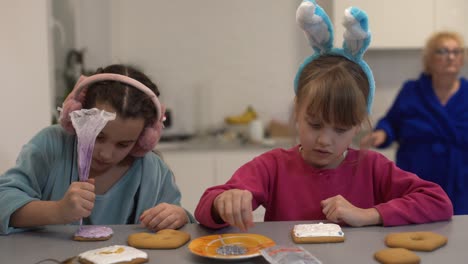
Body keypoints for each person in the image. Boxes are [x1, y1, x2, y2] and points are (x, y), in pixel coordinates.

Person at [194, 0, 453, 231]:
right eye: (315, 124)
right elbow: (205, 206)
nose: (324, 140)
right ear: (298, 111)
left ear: (359, 125)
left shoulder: (372, 167)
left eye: (340, 130)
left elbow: (437, 201)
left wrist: (369, 214)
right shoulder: (272, 167)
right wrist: (222, 203)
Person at [0, 64, 195, 234]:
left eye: (123, 144)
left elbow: (179, 224)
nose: (106, 154)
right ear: (76, 116)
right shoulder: (51, 145)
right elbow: (4, 200)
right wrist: (58, 211)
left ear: (143, 140)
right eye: (98, 136)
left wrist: (179, 216)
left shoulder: (154, 172)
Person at [364, 31, 468, 215]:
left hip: (460, 181)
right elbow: (392, 122)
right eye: (443, 51)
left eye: (456, 52)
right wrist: (382, 133)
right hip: (418, 176)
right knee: (413, 227)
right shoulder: (411, 90)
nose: (451, 57)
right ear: (429, 59)